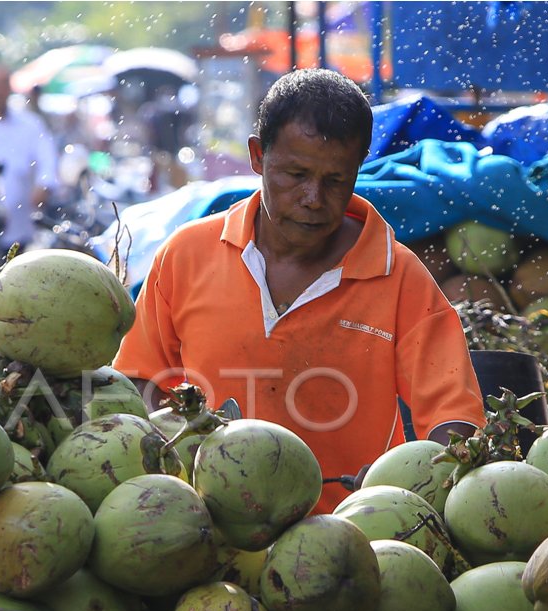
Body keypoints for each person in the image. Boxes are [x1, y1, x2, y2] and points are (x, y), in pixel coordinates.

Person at [113, 68, 486, 513]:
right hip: (209, 525)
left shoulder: (399, 276)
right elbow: (141, 380)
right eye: (296, 174)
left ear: (358, 169)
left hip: (354, 531)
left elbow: (453, 416)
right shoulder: (186, 255)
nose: (313, 198)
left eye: (335, 180)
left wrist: (420, 480)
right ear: (257, 156)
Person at [0, 62, 60, 252]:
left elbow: (48, 161)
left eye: (1, 84)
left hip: (20, 223)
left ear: (9, 88)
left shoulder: (30, 124)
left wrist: (44, 186)